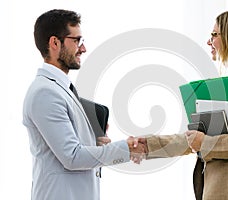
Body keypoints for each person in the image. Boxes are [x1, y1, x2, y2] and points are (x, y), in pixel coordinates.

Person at [138, 10, 228, 200]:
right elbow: (199, 139)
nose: (209, 42)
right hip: (225, 188)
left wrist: (206, 143)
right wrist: (149, 145)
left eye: (214, 35)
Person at [23, 9, 145, 200]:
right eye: (76, 40)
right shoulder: (44, 93)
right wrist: (126, 148)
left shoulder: (61, 88)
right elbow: (72, 157)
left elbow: (67, 148)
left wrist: (94, 143)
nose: (83, 48)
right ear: (55, 42)